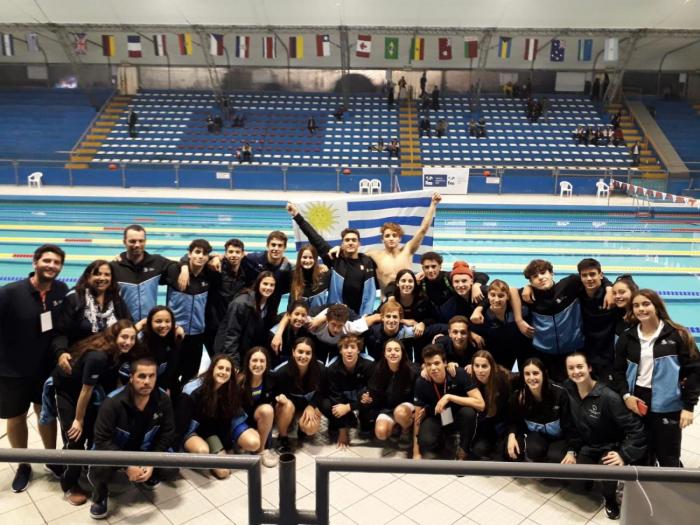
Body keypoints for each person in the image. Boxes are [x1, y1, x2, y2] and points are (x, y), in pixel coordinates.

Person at [0, 244, 68, 492]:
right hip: (12, 370)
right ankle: (23, 464)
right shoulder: (10, 293)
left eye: (56, 262)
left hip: (45, 368)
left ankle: (51, 457)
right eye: (47, 260)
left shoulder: (60, 290)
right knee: (16, 417)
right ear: (34, 262)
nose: (51, 266)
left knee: (46, 413)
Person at [52, 320, 137, 505]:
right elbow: (85, 391)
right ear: (114, 336)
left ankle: (85, 466)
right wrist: (78, 419)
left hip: (88, 393)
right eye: (124, 337)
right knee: (75, 439)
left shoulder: (119, 352)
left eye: (132, 338)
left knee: (94, 433)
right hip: (68, 392)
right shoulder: (98, 357)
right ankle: (69, 484)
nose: (128, 342)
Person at [613, 289, 700, 467]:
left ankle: (672, 493)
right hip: (637, 400)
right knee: (641, 455)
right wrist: (626, 396)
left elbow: (695, 371)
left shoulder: (678, 335)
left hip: (668, 403)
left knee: (668, 456)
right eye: (636, 305)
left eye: (646, 304)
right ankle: (644, 492)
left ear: (657, 306)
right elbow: (618, 372)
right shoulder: (627, 337)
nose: (641, 309)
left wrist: (689, 406)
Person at [561, 352, 647, 521]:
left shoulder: (608, 397)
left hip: (611, 447)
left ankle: (610, 500)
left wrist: (623, 454)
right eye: (571, 368)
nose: (575, 372)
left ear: (589, 368)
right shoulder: (568, 390)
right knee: (577, 484)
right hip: (587, 446)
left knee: (608, 472)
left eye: (580, 367)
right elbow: (569, 425)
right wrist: (571, 450)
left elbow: (636, 429)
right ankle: (592, 480)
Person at [88, 357, 176, 519]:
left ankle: (148, 475)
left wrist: (152, 462)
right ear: (131, 378)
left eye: (152, 376)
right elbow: (102, 440)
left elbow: (168, 432)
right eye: (142, 376)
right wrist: (127, 465)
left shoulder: (163, 399)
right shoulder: (112, 403)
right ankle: (100, 496)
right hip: (117, 450)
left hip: (145, 449)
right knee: (100, 470)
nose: (147, 381)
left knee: (171, 468)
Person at [177, 354, 261, 479]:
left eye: (228, 370)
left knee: (254, 443)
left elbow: (232, 416)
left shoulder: (231, 387)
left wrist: (227, 444)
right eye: (220, 368)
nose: (224, 372)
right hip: (199, 431)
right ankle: (205, 451)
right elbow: (180, 424)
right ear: (212, 369)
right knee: (221, 471)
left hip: (220, 429)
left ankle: (229, 447)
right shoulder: (192, 390)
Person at [288, 203, 378, 316]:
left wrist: (365, 318)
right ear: (342, 243)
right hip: (335, 317)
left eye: (354, 240)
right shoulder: (334, 258)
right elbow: (315, 239)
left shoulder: (367, 262)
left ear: (359, 243)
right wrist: (297, 216)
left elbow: (370, 293)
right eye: (347, 240)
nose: (350, 242)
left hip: (359, 317)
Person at [52, 259, 131, 371]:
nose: (102, 278)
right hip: (80, 360)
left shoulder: (116, 300)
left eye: (107, 275)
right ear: (88, 277)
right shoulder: (75, 299)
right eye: (97, 274)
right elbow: (60, 333)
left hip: (111, 362)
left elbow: (127, 325)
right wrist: (61, 353)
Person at [413, 344, 485, 460]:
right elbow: (417, 417)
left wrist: (449, 397)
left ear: (445, 363)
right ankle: (445, 440)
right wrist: (415, 452)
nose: (433, 368)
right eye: (429, 364)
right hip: (437, 416)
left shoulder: (458, 374)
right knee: (426, 442)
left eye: (437, 363)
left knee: (468, 412)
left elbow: (481, 405)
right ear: (424, 366)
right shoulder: (421, 382)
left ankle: (463, 450)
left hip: (457, 415)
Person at [166, 239, 216, 386]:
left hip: (197, 335)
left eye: (204, 254)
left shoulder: (209, 274)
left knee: (191, 376)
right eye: (197, 252)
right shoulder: (174, 271)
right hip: (175, 334)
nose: (200, 256)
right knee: (171, 376)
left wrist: (217, 257)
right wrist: (184, 266)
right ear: (189, 254)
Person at [110, 224, 183, 322]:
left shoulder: (157, 262)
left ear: (145, 241)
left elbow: (179, 265)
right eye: (132, 241)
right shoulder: (114, 267)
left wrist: (185, 266)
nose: (137, 245)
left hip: (149, 325)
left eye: (141, 241)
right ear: (124, 242)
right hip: (126, 326)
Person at [506, 358, 568, 463]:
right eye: (527, 374)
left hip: (560, 438)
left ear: (543, 373)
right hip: (537, 436)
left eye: (535, 373)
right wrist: (511, 437)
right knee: (524, 450)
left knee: (555, 456)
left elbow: (570, 424)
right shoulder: (519, 396)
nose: (531, 378)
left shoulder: (560, 393)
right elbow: (513, 421)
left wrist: (571, 451)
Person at [214, 271, 278, 369]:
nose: (268, 287)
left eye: (272, 285)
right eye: (265, 284)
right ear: (258, 284)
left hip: (248, 350)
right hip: (229, 351)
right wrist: (234, 362)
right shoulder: (241, 304)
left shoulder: (269, 303)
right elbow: (231, 335)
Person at [321, 334, 375, 448]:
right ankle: (344, 420)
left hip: (359, 400)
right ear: (340, 351)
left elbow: (372, 394)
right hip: (342, 399)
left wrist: (349, 407)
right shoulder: (332, 369)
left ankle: (364, 419)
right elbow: (335, 398)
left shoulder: (369, 365)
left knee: (366, 396)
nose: (349, 351)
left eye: (352, 347)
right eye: (345, 347)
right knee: (326, 404)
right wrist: (343, 432)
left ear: (358, 350)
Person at [273, 337, 324, 451]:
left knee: (310, 428)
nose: (303, 356)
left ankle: (302, 429)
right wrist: (280, 399)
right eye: (300, 352)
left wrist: (312, 406)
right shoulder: (281, 372)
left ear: (312, 354)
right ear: (293, 352)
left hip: (306, 406)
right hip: (288, 407)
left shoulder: (320, 368)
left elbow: (322, 391)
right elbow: (273, 394)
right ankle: (283, 437)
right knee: (286, 406)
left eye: (308, 353)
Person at [469, 279, 533, 371]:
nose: (496, 299)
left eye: (501, 296)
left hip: (520, 350)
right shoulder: (481, 317)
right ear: (488, 296)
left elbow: (514, 290)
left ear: (507, 296)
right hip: (498, 355)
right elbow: (467, 328)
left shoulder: (519, 310)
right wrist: (471, 333)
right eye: (493, 295)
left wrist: (529, 286)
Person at [368, 339, 419, 453]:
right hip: (387, 408)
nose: (393, 353)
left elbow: (418, 397)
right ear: (384, 354)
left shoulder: (413, 370)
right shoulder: (378, 369)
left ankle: (406, 430)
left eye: (397, 350)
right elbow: (373, 393)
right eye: (389, 350)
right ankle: (396, 426)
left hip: (406, 408)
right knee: (381, 433)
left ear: (402, 353)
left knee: (400, 413)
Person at [203, 238, 248, 355]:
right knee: (217, 360)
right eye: (231, 252)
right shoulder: (216, 269)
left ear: (243, 254)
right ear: (225, 254)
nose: (234, 255)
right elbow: (194, 259)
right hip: (214, 326)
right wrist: (214, 257)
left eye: (237, 252)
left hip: (232, 326)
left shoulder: (244, 273)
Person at [239, 346, 278, 466]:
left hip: (257, 418)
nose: (258, 364)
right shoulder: (239, 381)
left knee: (268, 409)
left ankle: (262, 450)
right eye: (254, 360)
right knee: (251, 443)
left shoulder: (271, 379)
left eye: (262, 361)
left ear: (267, 364)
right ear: (248, 362)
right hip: (240, 420)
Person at [470, 350, 512, 460]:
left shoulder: (501, 382)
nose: (480, 370)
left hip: (501, 425)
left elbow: (507, 413)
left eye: (484, 366)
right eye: (477, 366)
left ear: (491, 367)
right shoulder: (471, 380)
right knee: (478, 450)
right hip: (484, 427)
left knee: (506, 455)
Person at [136, 305, 181, 394]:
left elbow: (173, 371)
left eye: (167, 321)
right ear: (150, 323)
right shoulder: (142, 343)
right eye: (158, 321)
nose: (163, 325)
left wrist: (167, 388)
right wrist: (140, 325)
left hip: (167, 385)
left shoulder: (175, 340)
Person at [270, 300, 312, 365]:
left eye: (303, 315)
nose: (299, 318)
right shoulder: (276, 331)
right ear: (289, 315)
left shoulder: (307, 330)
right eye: (297, 314)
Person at [289, 243, 330, 311]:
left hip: (319, 319)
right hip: (299, 319)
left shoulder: (325, 275)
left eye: (311, 258)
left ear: (315, 259)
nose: (307, 261)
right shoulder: (292, 276)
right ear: (299, 258)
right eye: (304, 257)